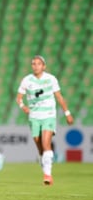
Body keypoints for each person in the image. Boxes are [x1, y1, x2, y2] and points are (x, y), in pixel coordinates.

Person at [16, 55, 73, 185]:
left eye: (38, 64)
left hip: (48, 115)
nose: (36, 66)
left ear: (44, 66)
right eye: (33, 64)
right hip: (34, 117)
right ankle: (45, 167)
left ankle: (48, 174)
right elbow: (19, 98)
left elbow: (59, 97)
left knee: (46, 143)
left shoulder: (51, 79)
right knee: (40, 147)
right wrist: (23, 106)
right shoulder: (27, 80)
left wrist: (67, 113)